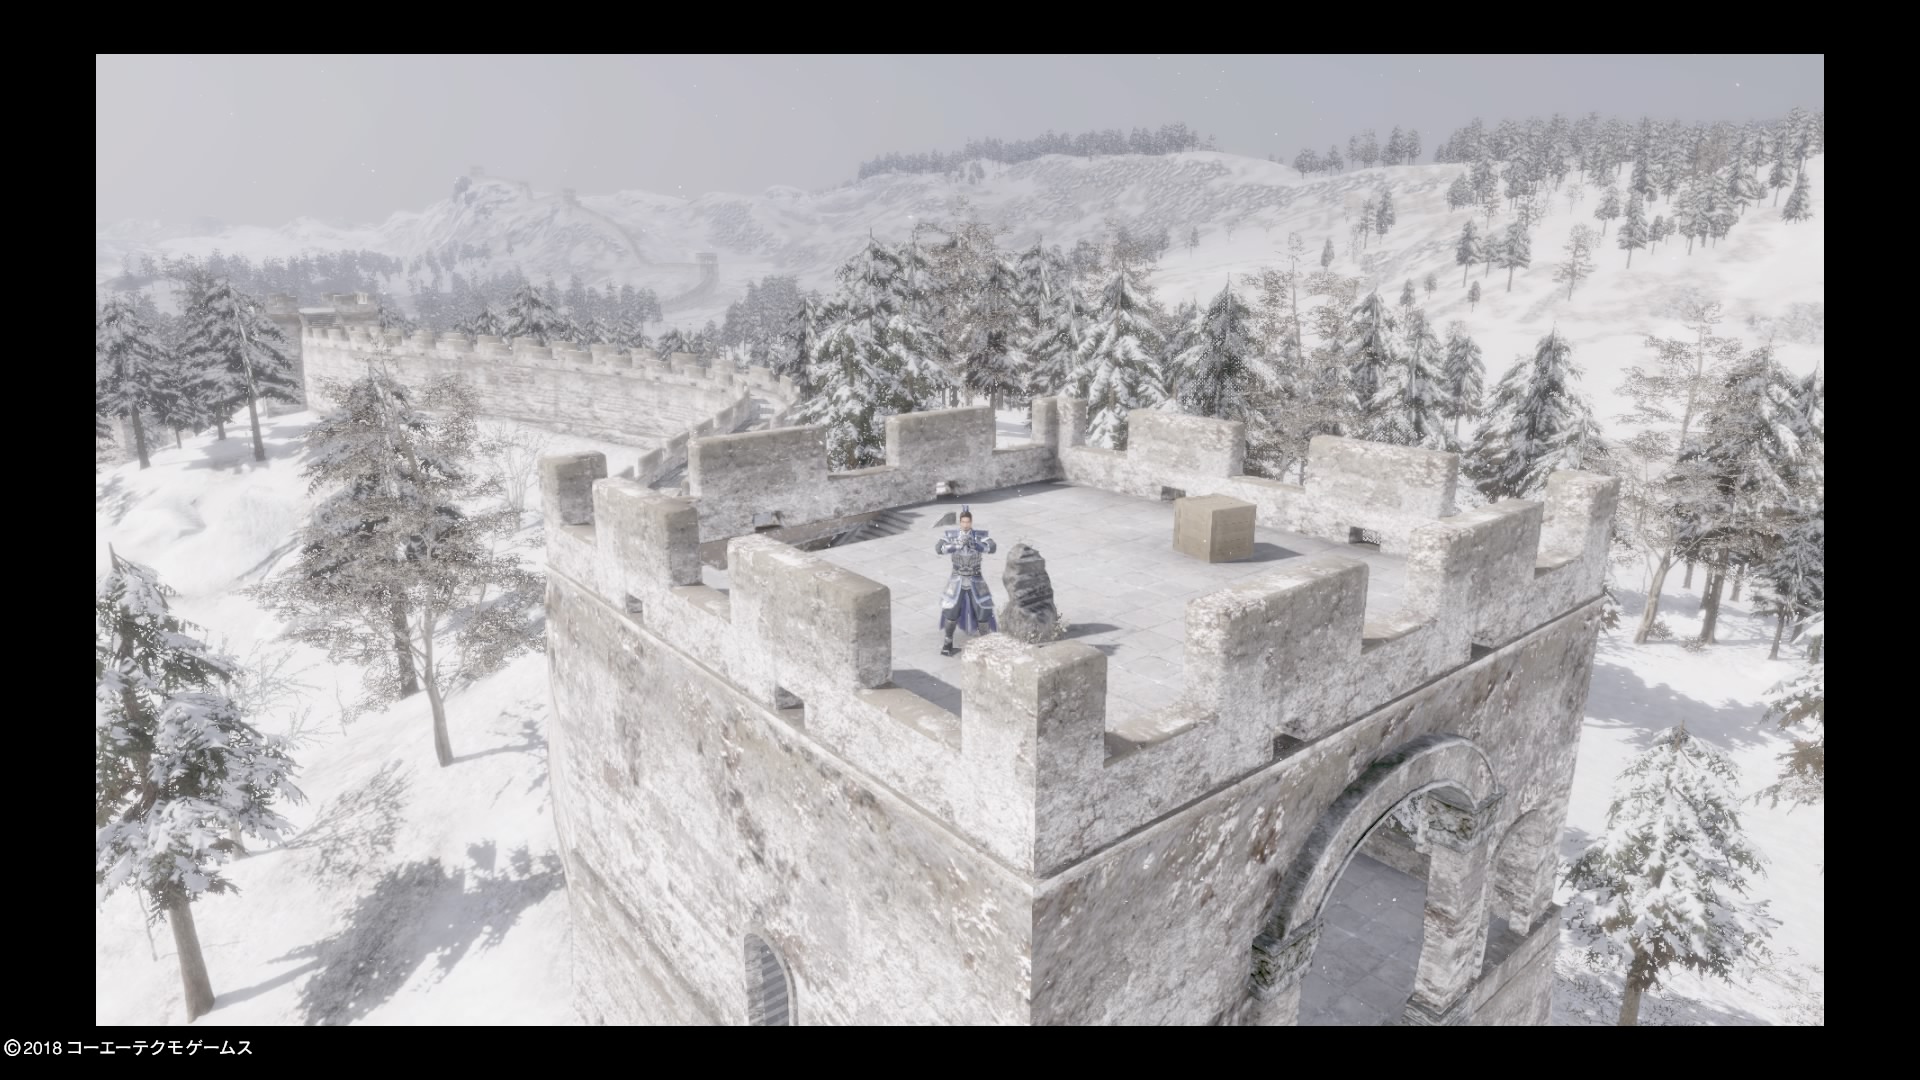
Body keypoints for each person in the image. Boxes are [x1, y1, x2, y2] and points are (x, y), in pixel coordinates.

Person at [935, 507, 997, 655]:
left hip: (976, 579)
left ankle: (985, 646)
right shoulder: (951, 536)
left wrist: (976, 544)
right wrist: (956, 545)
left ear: (971, 522)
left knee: (983, 612)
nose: (965, 524)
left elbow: (992, 547)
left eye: (967, 522)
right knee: (951, 612)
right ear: (960, 522)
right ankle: (947, 645)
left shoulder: (979, 535)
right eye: (963, 522)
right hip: (957, 580)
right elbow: (939, 548)